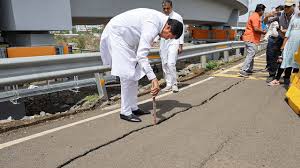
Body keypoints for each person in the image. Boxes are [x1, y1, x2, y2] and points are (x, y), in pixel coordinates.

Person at [100, 8, 183, 122]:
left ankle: (133, 107)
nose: (167, 38)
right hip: (118, 34)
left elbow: (142, 53)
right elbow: (141, 56)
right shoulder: (153, 26)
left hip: (129, 39)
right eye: (169, 36)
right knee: (127, 74)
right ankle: (125, 111)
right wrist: (154, 79)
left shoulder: (160, 22)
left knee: (135, 72)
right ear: (168, 27)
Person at [266, 0, 297, 86]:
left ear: (293, 6)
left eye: (288, 6)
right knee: (281, 58)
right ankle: (276, 77)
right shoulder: (280, 14)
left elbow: (294, 29)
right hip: (284, 39)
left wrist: (285, 30)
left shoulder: (296, 16)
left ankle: (287, 77)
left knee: (291, 59)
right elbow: (267, 21)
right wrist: (267, 16)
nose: (286, 8)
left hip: (294, 40)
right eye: (285, 6)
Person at [159, 0, 184, 93]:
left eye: (167, 8)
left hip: (174, 41)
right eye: (164, 8)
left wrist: (181, 45)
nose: (166, 10)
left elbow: (181, 32)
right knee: (164, 64)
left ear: (171, 7)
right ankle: (168, 84)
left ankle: (174, 84)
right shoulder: (161, 17)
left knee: (171, 63)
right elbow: (157, 30)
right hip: (163, 42)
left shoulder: (178, 17)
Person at [239, 4, 267, 77]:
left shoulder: (255, 16)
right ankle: (243, 70)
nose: (263, 13)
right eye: (263, 11)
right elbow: (255, 29)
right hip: (250, 38)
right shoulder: (255, 17)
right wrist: (263, 32)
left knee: (252, 54)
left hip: (252, 39)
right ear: (261, 10)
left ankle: (249, 69)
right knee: (251, 54)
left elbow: (258, 27)